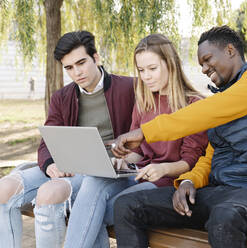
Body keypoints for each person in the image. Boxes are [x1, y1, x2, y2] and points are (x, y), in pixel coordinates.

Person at [112, 25, 247, 248]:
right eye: (201, 64)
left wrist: (145, 133)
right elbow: (211, 155)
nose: (204, 69)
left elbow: (209, 110)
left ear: (230, 50)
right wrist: (189, 181)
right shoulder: (223, 100)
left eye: (208, 59)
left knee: (224, 216)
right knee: (127, 205)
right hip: (219, 193)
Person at [63, 34, 208, 248]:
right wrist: (122, 162)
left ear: (171, 64)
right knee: (94, 183)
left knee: (93, 209)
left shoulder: (193, 104)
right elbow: (139, 150)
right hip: (138, 175)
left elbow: (191, 161)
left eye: (152, 69)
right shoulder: (144, 101)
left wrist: (162, 168)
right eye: (141, 70)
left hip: (167, 183)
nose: (146, 76)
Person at [0, 30, 135, 248]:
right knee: (4, 189)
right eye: (69, 68)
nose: (77, 72)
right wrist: (50, 165)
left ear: (96, 57)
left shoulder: (129, 88)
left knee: (49, 194)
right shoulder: (62, 97)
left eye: (81, 63)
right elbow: (46, 143)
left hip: (106, 172)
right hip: (70, 166)